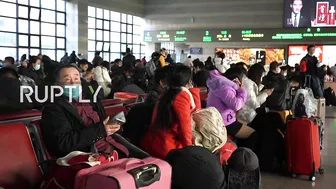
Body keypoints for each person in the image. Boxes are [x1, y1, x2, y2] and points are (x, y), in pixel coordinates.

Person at [40, 64, 121, 157]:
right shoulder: (53, 108)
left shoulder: (91, 99)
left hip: (115, 146)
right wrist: (101, 130)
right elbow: (64, 143)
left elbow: (104, 122)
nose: (73, 83)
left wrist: (113, 126)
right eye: (67, 79)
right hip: (93, 157)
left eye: (76, 78)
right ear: (57, 85)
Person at [141, 65, 201, 159]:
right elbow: (186, 125)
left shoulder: (165, 93)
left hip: (156, 143)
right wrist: (190, 152)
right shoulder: (181, 95)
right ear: (188, 80)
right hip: (169, 147)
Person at [207, 68, 257, 151]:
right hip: (223, 123)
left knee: (247, 124)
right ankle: (243, 156)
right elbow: (236, 105)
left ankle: (239, 151)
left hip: (221, 119)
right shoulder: (225, 88)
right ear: (236, 79)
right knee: (253, 134)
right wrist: (242, 90)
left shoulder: (221, 84)